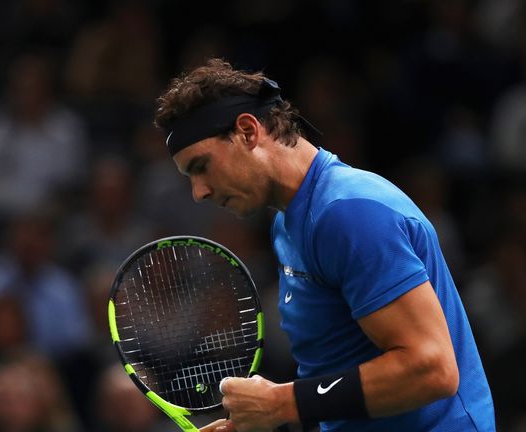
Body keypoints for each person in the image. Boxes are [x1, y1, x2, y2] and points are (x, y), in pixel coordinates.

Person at [153, 58, 495, 431]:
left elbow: (432, 369)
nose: (198, 193)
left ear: (248, 132)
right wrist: (266, 417)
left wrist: (282, 402)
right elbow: (336, 378)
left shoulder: (349, 213)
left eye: (201, 167)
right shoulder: (287, 222)